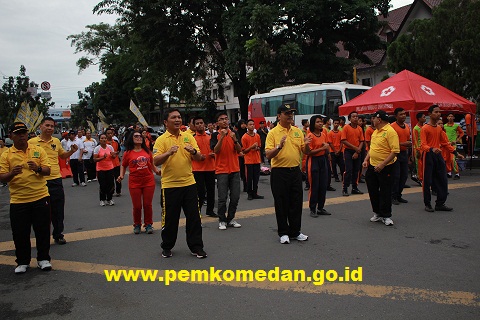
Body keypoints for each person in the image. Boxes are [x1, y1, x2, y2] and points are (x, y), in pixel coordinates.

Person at [153, 108, 206, 259]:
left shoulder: (188, 137)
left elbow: (200, 157)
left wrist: (194, 152)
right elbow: (155, 161)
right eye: (173, 117)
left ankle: (196, 247)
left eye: (179, 117)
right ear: (165, 122)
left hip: (189, 184)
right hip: (170, 186)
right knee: (170, 219)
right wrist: (168, 153)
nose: (177, 120)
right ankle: (167, 246)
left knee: (194, 218)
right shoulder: (161, 140)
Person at [0, 122, 52, 273]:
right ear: (11, 136)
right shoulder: (6, 155)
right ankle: (22, 261)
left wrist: (38, 168)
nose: (22, 136)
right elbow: (2, 177)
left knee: (42, 230)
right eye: (18, 133)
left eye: (24, 133)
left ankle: (43, 259)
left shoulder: (38, 150)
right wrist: (11, 173)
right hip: (18, 200)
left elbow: (48, 170)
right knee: (20, 233)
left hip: (41, 197)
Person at [29, 117, 79, 245]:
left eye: (52, 126)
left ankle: (58, 234)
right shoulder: (32, 142)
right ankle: (43, 236)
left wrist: (71, 152)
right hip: (39, 181)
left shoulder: (56, 141)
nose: (50, 128)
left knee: (58, 210)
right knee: (42, 212)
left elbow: (62, 155)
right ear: (40, 126)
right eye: (47, 125)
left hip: (55, 179)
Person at [265, 103, 309, 244]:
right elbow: (268, 155)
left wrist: (307, 143)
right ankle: (283, 232)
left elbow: (305, 151)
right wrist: (279, 146)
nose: (290, 115)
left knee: (296, 202)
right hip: (279, 172)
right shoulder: (272, 133)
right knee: (282, 202)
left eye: (292, 113)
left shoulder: (297, 131)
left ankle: (296, 231)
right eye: (287, 113)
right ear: (279, 116)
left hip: (295, 171)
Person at [421, 105, 463, 212]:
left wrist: (455, 152)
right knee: (427, 180)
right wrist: (431, 149)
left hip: (438, 155)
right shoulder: (425, 128)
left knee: (443, 179)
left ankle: (440, 203)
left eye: (439, 112)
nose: (438, 114)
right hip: (428, 155)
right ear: (429, 114)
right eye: (436, 112)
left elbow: (445, 143)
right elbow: (423, 145)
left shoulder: (439, 128)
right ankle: (427, 204)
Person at [362, 111, 399, 226]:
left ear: (379, 120)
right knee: (372, 190)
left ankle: (386, 215)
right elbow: (372, 148)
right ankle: (377, 213)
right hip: (373, 165)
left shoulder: (390, 132)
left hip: (386, 167)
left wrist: (383, 164)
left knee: (385, 191)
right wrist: (366, 159)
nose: (372, 120)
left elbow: (395, 151)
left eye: (374, 118)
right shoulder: (375, 132)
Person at [118, 131, 160, 234]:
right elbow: (123, 165)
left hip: (148, 181)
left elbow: (152, 165)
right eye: (136, 136)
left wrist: (157, 171)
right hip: (134, 182)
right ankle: (137, 224)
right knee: (137, 206)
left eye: (140, 136)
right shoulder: (128, 153)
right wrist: (121, 175)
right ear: (131, 138)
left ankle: (148, 224)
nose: (139, 138)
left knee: (147, 204)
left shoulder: (147, 152)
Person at [210, 112, 243, 230]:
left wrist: (235, 140)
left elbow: (239, 150)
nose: (224, 121)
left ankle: (231, 218)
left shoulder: (234, 133)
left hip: (234, 169)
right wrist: (222, 137)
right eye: (221, 119)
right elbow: (215, 150)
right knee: (222, 198)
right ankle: (222, 220)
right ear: (217, 123)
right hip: (221, 170)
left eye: (226, 119)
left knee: (235, 197)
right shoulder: (215, 135)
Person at [305, 115, 331, 217]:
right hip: (313, 161)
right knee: (314, 185)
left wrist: (327, 153)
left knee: (323, 185)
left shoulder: (323, 134)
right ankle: (312, 208)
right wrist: (322, 149)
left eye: (321, 122)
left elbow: (326, 147)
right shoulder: (310, 136)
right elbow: (309, 152)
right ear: (313, 124)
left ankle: (321, 207)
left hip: (322, 160)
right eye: (318, 122)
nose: (320, 123)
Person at [192, 116, 217, 217]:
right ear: (194, 126)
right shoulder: (193, 138)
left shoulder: (210, 137)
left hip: (210, 167)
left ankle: (210, 210)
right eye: (197, 123)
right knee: (200, 192)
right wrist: (197, 157)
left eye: (201, 123)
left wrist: (213, 154)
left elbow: (215, 150)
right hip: (197, 169)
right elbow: (190, 154)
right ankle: (198, 211)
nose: (199, 125)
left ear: (204, 124)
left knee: (211, 191)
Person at [391, 108, 411, 205]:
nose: (403, 116)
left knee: (404, 175)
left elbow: (408, 140)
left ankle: (399, 195)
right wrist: (404, 143)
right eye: (401, 114)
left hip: (404, 153)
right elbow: (390, 144)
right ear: (396, 116)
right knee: (396, 176)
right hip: (395, 154)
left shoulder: (407, 126)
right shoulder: (392, 127)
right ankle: (393, 196)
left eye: (404, 114)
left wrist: (408, 145)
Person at [341, 112, 364, 196]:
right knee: (348, 170)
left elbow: (361, 141)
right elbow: (343, 140)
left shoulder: (359, 128)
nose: (355, 118)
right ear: (349, 119)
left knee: (356, 170)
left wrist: (358, 151)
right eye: (353, 117)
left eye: (356, 116)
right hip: (348, 151)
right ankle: (345, 188)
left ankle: (354, 187)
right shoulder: (346, 128)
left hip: (357, 151)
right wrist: (355, 148)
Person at [242, 119, 264, 200]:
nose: (252, 126)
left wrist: (257, 148)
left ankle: (255, 192)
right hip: (249, 161)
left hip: (257, 159)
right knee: (249, 178)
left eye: (253, 124)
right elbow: (243, 150)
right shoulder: (244, 137)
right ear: (247, 126)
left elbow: (259, 146)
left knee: (256, 178)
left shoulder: (257, 136)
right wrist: (251, 147)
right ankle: (249, 193)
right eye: (250, 124)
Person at [94, 133, 117, 206]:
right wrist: (102, 157)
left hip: (110, 168)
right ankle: (102, 199)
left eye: (105, 138)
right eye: (102, 138)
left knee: (110, 184)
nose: (104, 140)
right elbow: (94, 159)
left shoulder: (110, 147)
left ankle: (109, 199)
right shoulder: (97, 148)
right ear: (99, 140)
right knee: (103, 185)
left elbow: (113, 156)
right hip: (100, 169)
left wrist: (114, 155)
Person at [444, 113, 464, 179]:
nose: (450, 117)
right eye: (449, 116)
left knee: (453, 159)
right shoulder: (444, 126)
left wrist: (457, 139)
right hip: (446, 145)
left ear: (454, 118)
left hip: (453, 145)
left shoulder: (456, 126)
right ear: (447, 117)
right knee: (447, 159)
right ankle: (448, 172)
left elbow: (462, 132)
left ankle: (457, 173)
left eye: (451, 116)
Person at [328, 118, 345, 183]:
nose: (336, 124)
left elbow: (342, 142)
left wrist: (339, 149)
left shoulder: (341, 132)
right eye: (335, 123)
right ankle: (336, 177)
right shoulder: (330, 133)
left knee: (342, 165)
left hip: (340, 151)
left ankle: (343, 176)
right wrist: (335, 151)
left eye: (337, 123)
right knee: (333, 165)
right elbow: (330, 143)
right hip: (332, 151)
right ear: (333, 124)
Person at [106, 128, 122, 196]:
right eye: (108, 133)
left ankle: (118, 191)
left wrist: (116, 153)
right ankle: (111, 191)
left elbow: (119, 150)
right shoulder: (104, 143)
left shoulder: (115, 142)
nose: (110, 135)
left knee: (117, 178)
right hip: (108, 164)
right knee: (110, 179)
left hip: (116, 163)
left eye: (111, 133)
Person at [412, 112, 426, 184]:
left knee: (424, 164)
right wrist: (417, 150)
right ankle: (420, 179)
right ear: (419, 118)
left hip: (424, 148)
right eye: (423, 117)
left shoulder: (424, 127)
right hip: (418, 149)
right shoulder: (416, 128)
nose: (425, 118)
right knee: (419, 164)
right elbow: (415, 140)